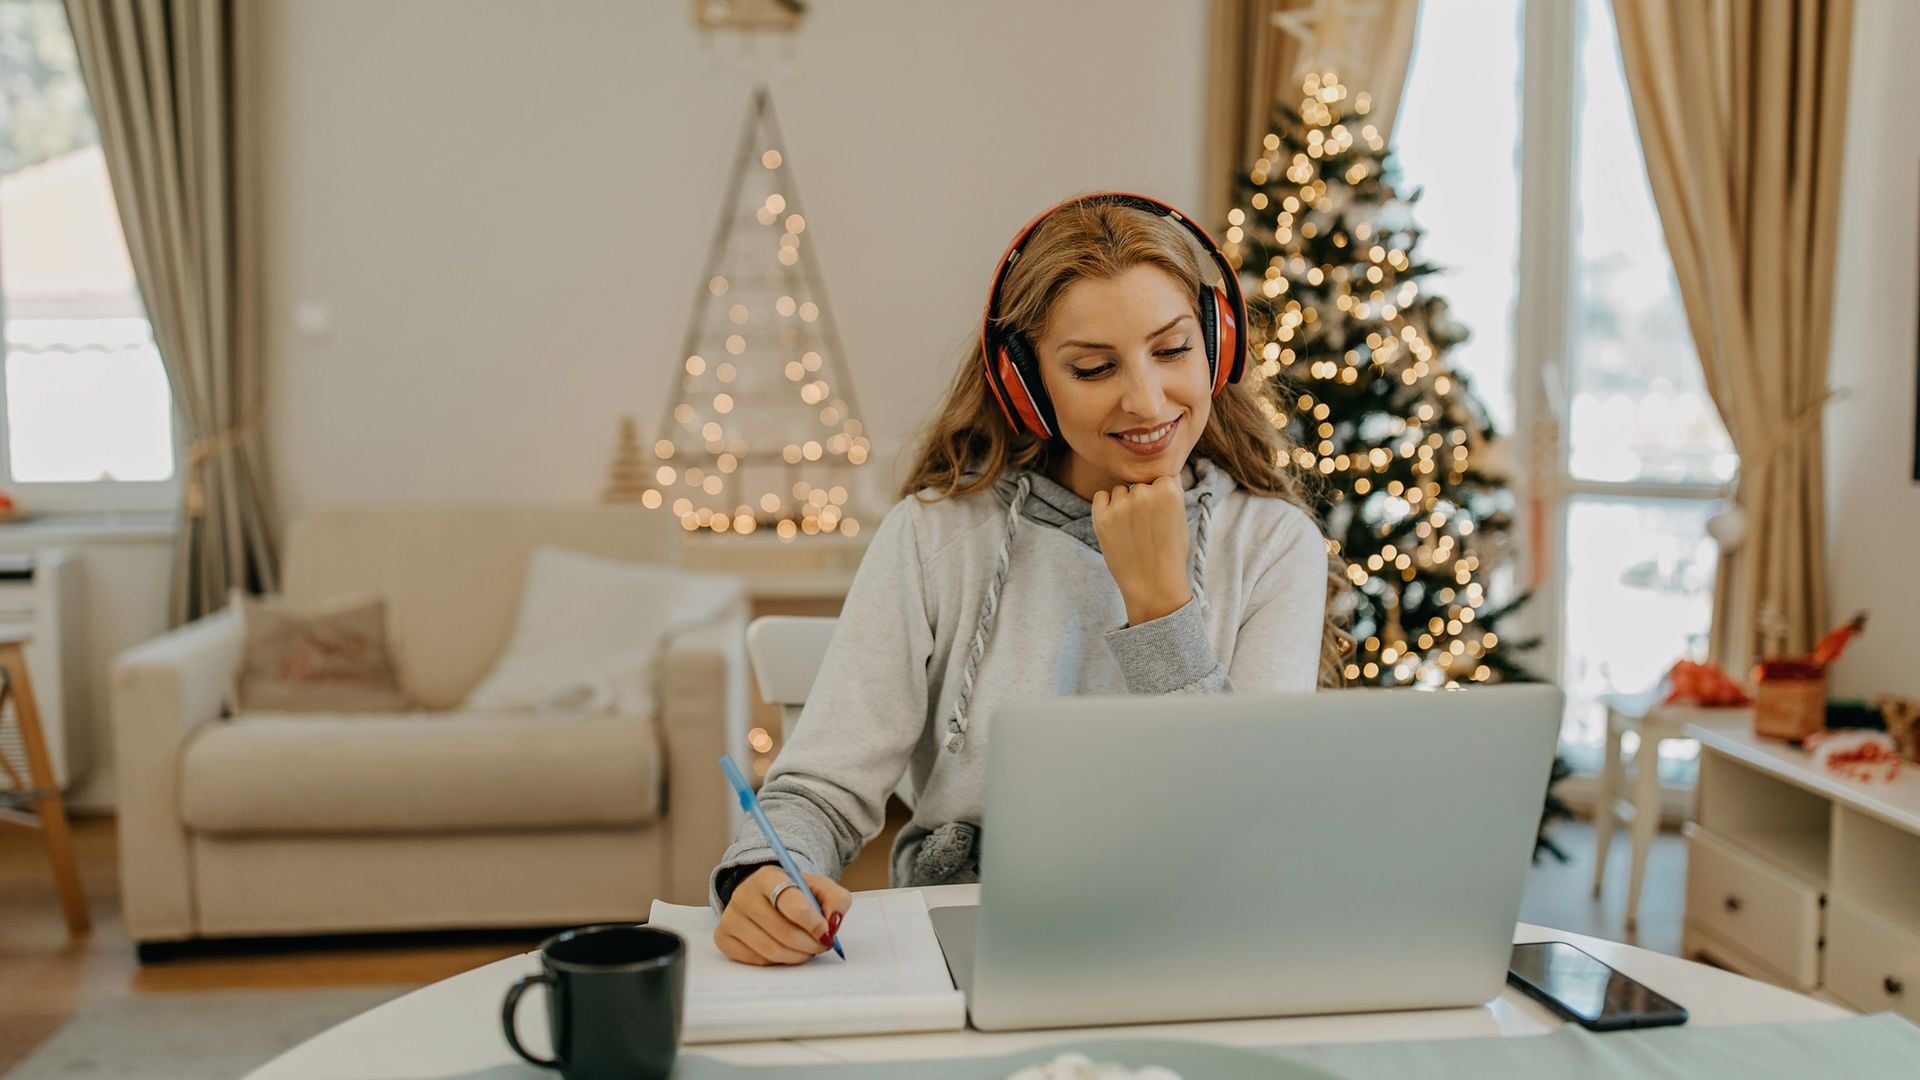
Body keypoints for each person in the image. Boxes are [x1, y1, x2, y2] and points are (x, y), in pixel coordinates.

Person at [710, 192, 1344, 967]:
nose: (1147, 400)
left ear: (1219, 344)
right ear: (1026, 384)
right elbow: (817, 791)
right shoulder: (935, 537)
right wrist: (772, 874)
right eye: (1092, 367)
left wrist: (1161, 607)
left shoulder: (1275, 545)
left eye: (1172, 350)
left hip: (1197, 939)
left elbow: (1246, 828)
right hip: (982, 938)